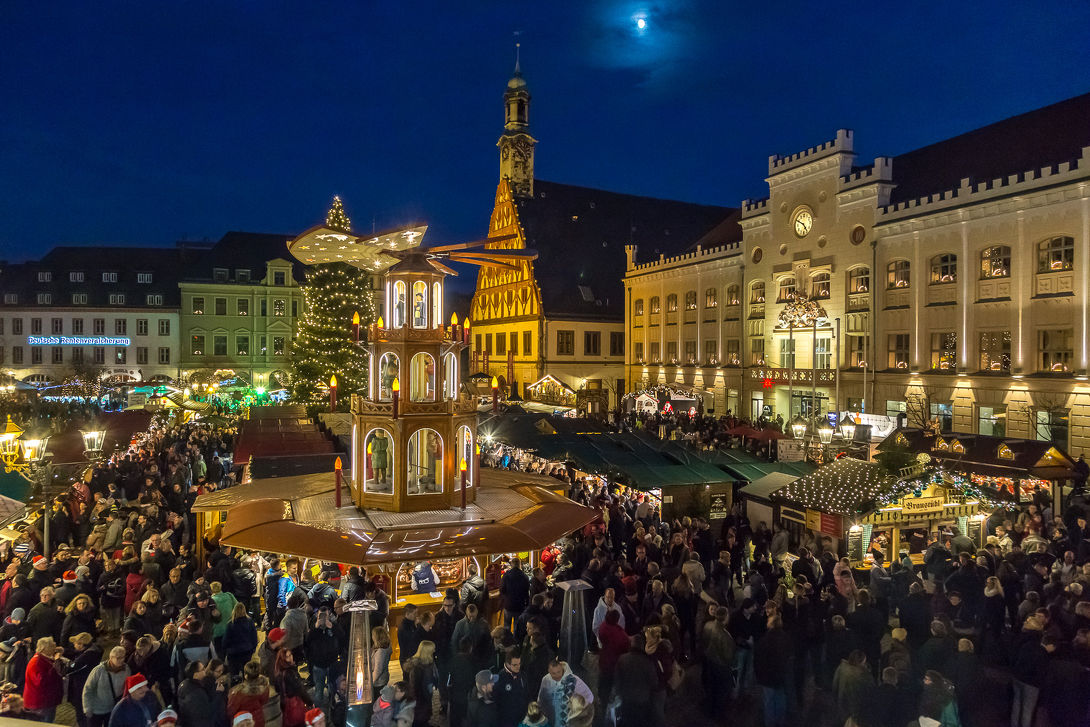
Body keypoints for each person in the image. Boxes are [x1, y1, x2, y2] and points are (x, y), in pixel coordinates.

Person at [536, 659, 592, 727]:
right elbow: (541, 699)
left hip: (568, 723)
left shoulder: (573, 680)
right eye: (553, 673)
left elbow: (589, 696)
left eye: (558, 672)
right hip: (551, 721)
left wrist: (577, 711)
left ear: (562, 669)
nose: (557, 675)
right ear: (549, 671)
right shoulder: (546, 680)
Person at [84, 646, 131, 727]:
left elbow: (126, 688)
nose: (121, 660)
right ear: (111, 657)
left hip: (112, 709)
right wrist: (87, 708)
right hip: (96, 710)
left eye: (123, 657)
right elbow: (88, 689)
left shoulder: (126, 670)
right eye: (118, 658)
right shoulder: (99, 670)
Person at [24, 635, 65, 722]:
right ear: (44, 648)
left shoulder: (44, 658)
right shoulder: (37, 662)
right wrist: (56, 664)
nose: (54, 649)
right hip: (41, 703)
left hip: (46, 702)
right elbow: (41, 682)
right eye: (52, 647)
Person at [67, 632, 102, 727]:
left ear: (81, 645)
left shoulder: (87, 655)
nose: (74, 645)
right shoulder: (92, 651)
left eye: (76, 643)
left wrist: (61, 660)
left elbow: (71, 667)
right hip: (86, 687)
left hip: (81, 687)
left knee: (81, 715)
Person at [227, 661, 274, 727]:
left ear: (246, 676)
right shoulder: (264, 686)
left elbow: (230, 710)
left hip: (244, 722)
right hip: (259, 719)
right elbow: (265, 701)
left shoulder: (238, 692)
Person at [494, 647, 529, 727]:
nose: (518, 667)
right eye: (515, 665)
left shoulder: (522, 675)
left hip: (522, 718)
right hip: (507, 720)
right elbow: (497, 701)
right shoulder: (500, 678)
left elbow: (527, 694)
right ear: (507, 664)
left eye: (519, 664)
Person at [405, 640, 437, 727]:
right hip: (421, 699)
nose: (434, 651)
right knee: (421, 718)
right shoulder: (425, 668)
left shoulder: (416, 665)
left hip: (416, 698)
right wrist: (429, 697)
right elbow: (427, 686)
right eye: (433, 649)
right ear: (427, 652)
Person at [223, 602, 258, 675]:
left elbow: (226, 640)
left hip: (233, 653)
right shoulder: (250, 622)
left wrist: (226, 649)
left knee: (234, 673)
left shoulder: (230, 624)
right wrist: (253, 648)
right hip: (247, 651)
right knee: (246, 672)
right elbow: (254, 637)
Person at [500, 559, 530, 633]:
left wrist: (505, 597)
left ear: (512, 564)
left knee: (507, 626)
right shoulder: (524, 576)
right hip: (520, 605)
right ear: (520, 565)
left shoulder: (506, 575)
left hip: (508, 604)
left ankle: (507, 642)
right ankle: (516, 642)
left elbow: (502, 589)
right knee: (517, 627)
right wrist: (526, 604)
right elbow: (527, 592)